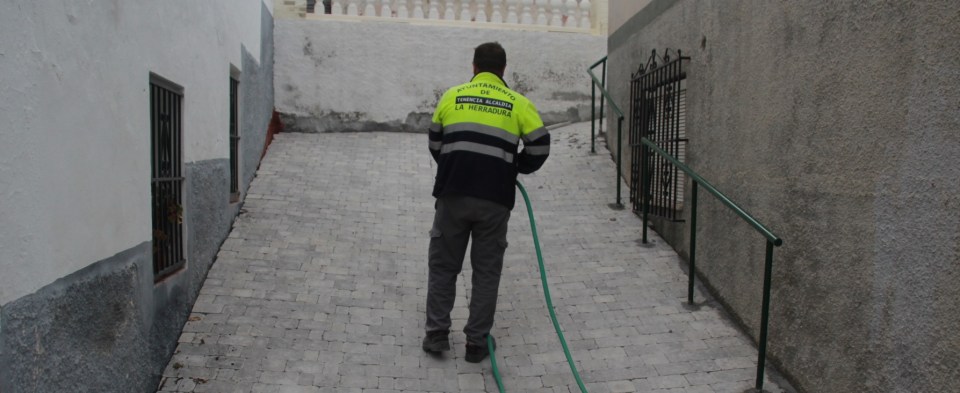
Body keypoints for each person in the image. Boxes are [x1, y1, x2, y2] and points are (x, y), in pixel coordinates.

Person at [423, 42, 550, 363]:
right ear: (503, 70)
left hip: (452, 196)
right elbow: (540, 147)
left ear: (474, 67)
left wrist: (455, 165)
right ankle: (477, 344)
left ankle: (437, 334)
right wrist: (513, 167)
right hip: (495, 201)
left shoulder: (451, 96)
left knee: (443, 267)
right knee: (486, 272)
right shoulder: (518, 103)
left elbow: (435, 142)